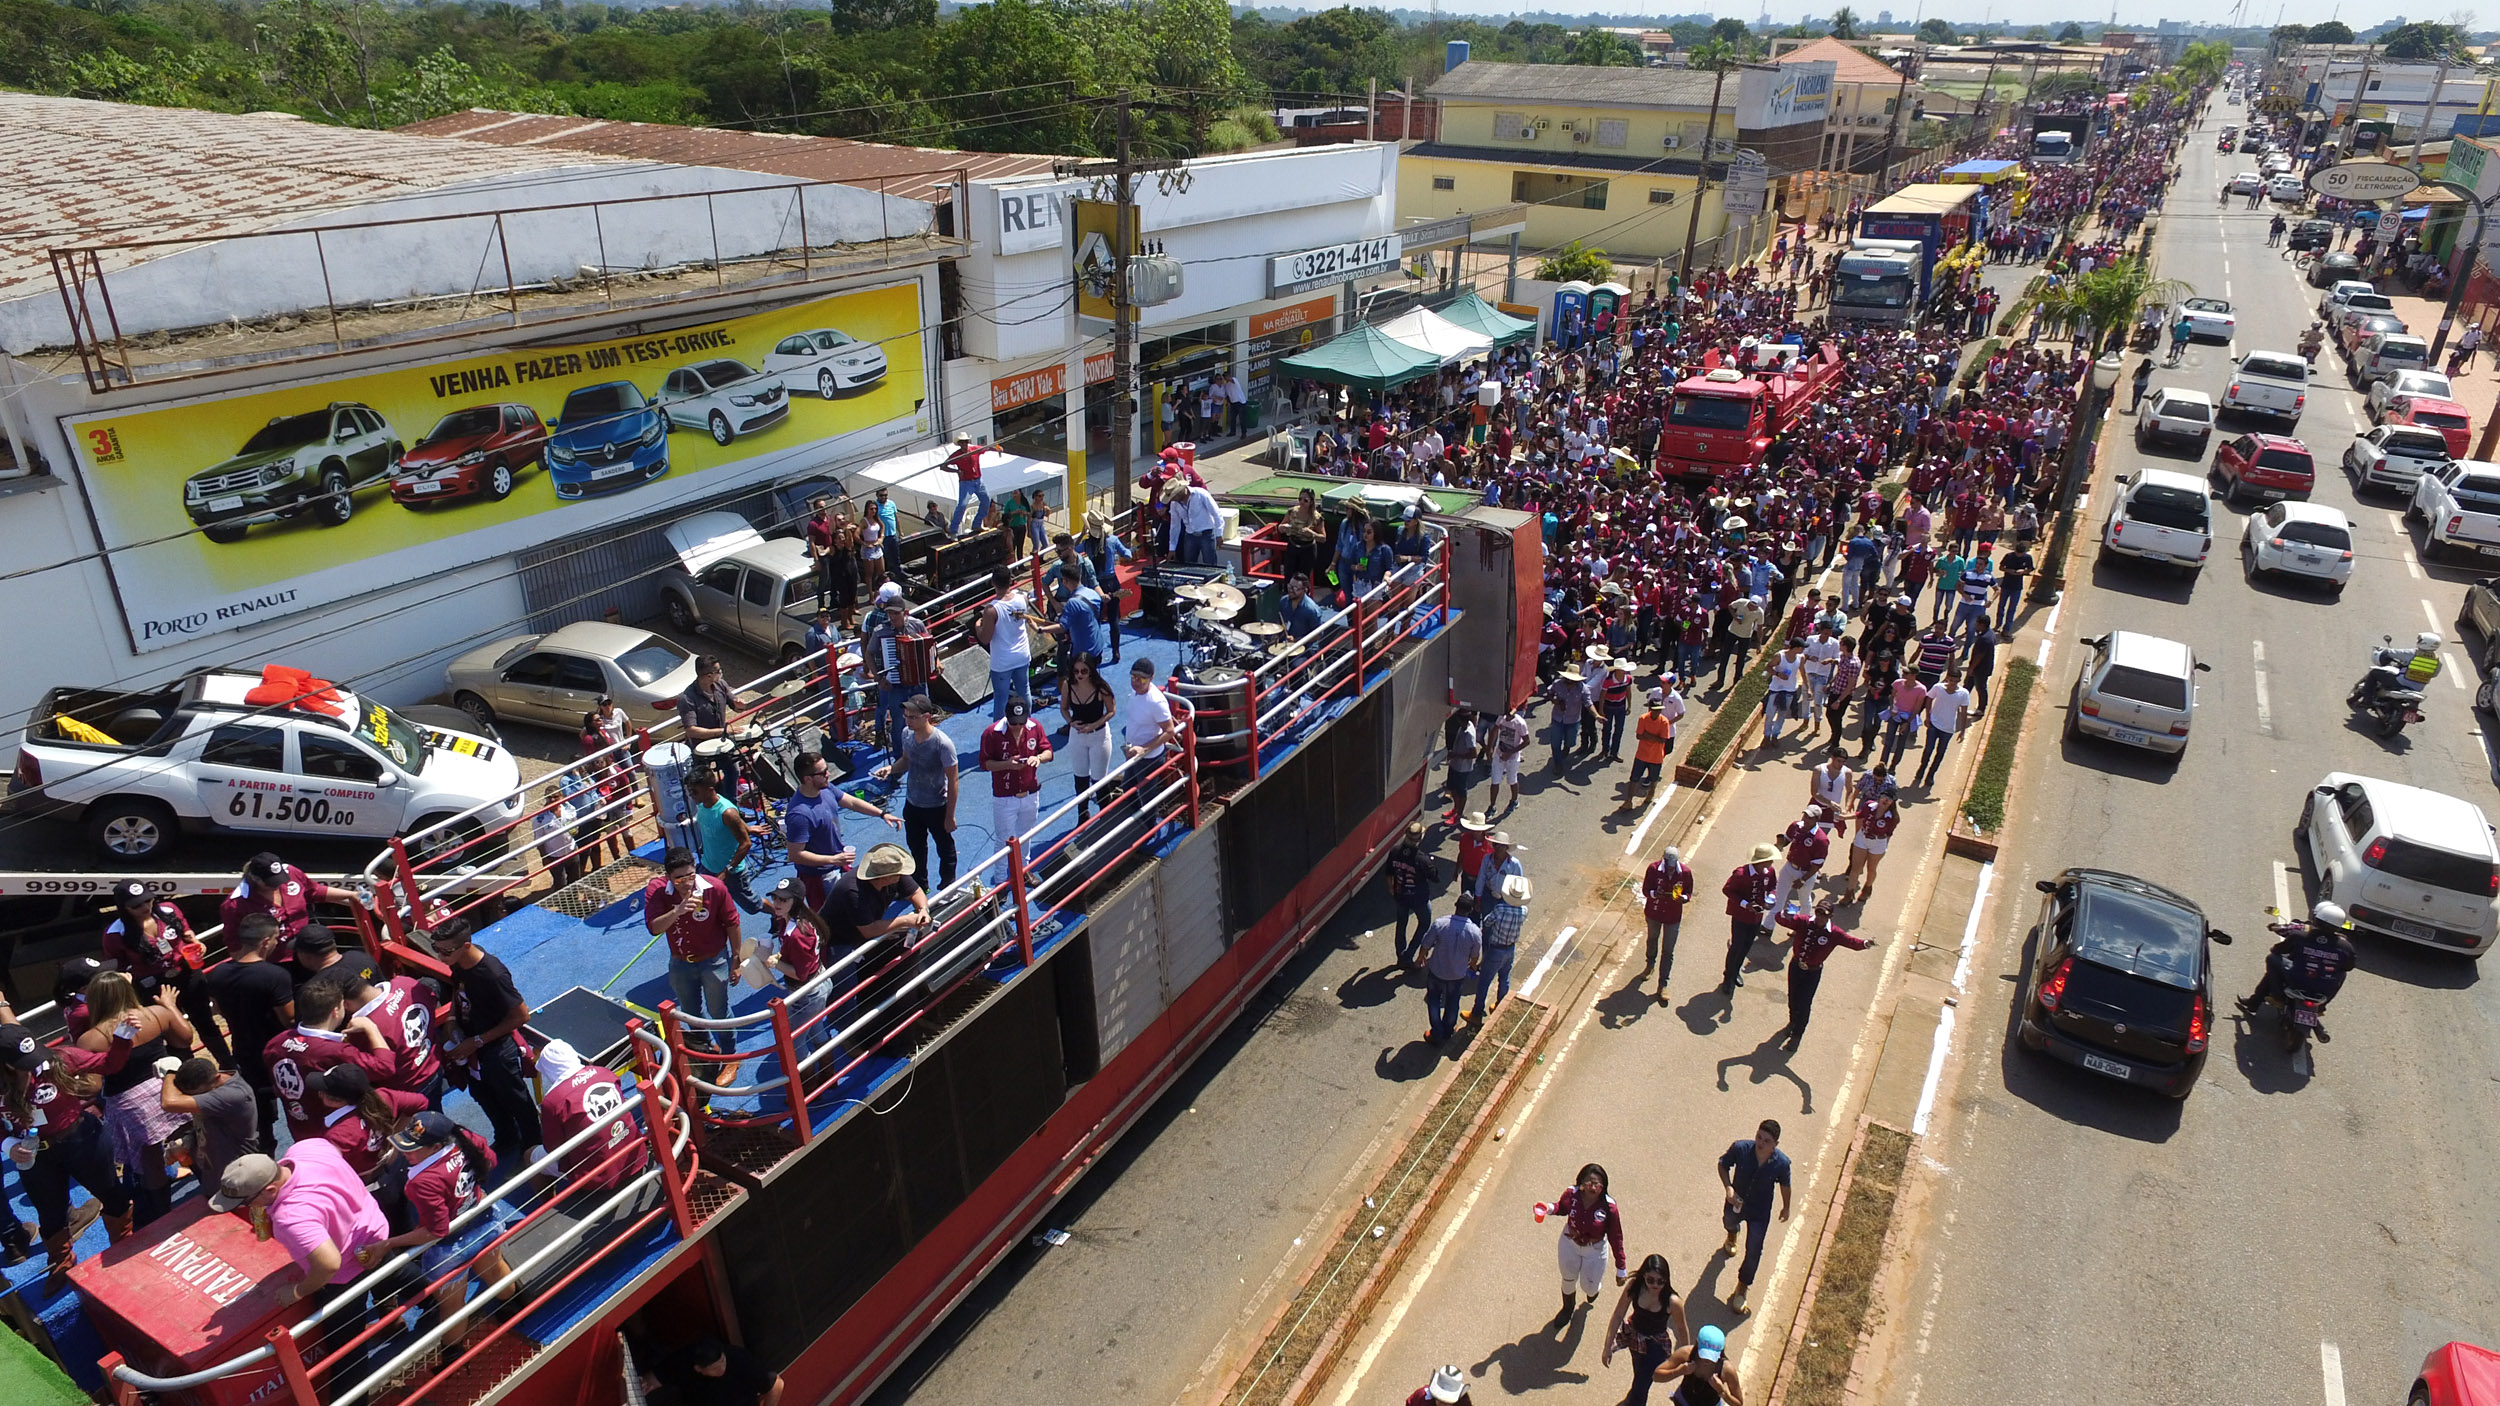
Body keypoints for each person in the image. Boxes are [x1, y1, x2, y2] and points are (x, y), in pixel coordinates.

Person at [356, 1112, 516, 1344]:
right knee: (495, 1270)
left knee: (452, 1307)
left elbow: (436, 1231)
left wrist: (388, 1243)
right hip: (485, 1222)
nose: (405, 1152)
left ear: (436, 1147)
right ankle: (515, 1311)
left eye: (413, 1148)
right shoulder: (466, 1138)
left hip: (451, 1249)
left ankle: (452, 1358)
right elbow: (491, 1161)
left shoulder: (422, 1182)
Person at [208, 1140, 389, 1306]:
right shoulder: (307, 1148)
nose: (246, 1207)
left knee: (341, 1337)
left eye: (245, 1202)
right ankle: (391, 1313)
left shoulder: (290, 1218)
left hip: (348, 1271)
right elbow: (336, 1151)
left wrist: (297, 1292)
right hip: (379, 1234)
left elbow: (329, 1264)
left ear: (270, 1189)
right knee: (405, 1283)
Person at [432, 918, 538, 1170]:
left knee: (516, 1099)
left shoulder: (492, 974)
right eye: (436, 949)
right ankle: (507, 1136)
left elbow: (522, 1015)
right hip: (472, 1045)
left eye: (445, 951)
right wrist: (452, 1018)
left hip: (497, 1048)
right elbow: (460, 993)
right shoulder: (458, 964)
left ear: (466, 946)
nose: (440, 956)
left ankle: (533, 1148)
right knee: (482, 1094)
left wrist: (477, 1041)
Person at [102, 879, 225, 1065]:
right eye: (137, 905)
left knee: (206, 1022)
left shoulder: (169, 911)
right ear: (124, 907)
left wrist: (197, 945)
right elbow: (118, 968)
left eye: (148, 900)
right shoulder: (115, 934)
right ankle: (190, 1077)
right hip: (154, 985)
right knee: (174, 1034)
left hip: (187, 973)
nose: (145, 907)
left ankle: (228, 1065)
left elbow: (187, 934)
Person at [202, 911, 297, 1150]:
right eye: (276, 937)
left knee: (261, 1121)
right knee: (297, 1107)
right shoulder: (275, 976)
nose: (277, 942)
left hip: (245, 1053)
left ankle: (264, 1162)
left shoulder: (218, 974)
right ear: (266, 941)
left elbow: (220, 1011)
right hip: (279, 1055)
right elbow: (290, 1019)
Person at [263, 974, 394, 1145]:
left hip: (300, 1127)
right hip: (337, 1131)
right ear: (336, 1011)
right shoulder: (336, 1051)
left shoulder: (275, 1043)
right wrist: (371, 1028)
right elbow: (385, 1067)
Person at [644, 848, 738, 1053]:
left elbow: (732, 923)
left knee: (719, 1011)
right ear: (668, 877)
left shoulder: (715, 888)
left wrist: (736, 960)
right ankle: (707, 1047)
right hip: (680, 962)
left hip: (714, 960)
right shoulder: (657, 890)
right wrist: (677, 911)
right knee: (690, 1012)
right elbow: (654, 928)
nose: (686, 883)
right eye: (679, 879)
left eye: (690, 875)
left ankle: (731, 1054)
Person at [784, 749, 902, 910]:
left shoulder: (825, 789)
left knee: (853, 905)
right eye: (823, 772)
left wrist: (882, 814)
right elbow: (795, 855)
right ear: (808, 779)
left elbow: (851, 802)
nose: (828, 774)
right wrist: (833, 860)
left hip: (838, 864)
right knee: (832, 917)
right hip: (820, 877)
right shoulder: (800, 814)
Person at [536, 1039, 647, 1195]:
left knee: (531, 1156)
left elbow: (553, 1149)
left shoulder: (553, 1101)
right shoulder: (604, 1072)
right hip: (636, 1155)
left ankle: (548, 1207)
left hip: (597, 1177)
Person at [2237, 901, 2359, 1031]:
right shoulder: (2346, 947)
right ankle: (2322, 1006)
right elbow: (2348, 967)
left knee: (2272, 959)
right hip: (2325, 988)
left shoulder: (2299, 935)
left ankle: (2268, 999)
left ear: (2316, 919)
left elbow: (2277, 951)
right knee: (2342, 974)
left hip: (2296, 979)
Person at [879, 696, 961, 887]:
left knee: (945, 848)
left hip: (936, 806)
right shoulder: (907, 733)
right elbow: (906, 760)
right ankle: (919, 885)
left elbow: (953, 780)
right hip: (913, 804)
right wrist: (891, 769)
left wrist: (950, 816)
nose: (907, 720)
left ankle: (948, 885)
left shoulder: (943, 744)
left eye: (913, 717)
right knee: (916, 848)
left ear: (926, 716)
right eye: (906, 716)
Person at [1534, 1162, 1626, 1326]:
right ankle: (1567, 1308)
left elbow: (1616, 1237)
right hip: (1569, 1244)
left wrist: (1621, 1267)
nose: (1593, 1187)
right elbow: (1561, 1207)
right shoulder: (1572, 1194)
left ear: (1603, 1186)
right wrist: (1547, 1208)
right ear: (1581, 1183)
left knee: (1589, 1288)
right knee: (1568, 1279)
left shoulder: (1609, 1207)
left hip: (1595, 1251)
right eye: (1589, 1182)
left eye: (1597, 1184)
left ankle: (1593, 1290)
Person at [1772, 900, 1871, 1051]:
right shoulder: (1803, 922)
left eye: (1824, 915)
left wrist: (1865, 944)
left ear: (1830, 916)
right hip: (1796, 966)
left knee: (1805, 1003)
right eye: (1818, 912)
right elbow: (1780, 920)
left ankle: (1797, 1034)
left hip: (1812, 972)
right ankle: (1792, 1022)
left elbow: (1851, 942)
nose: (1819, 917)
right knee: (1793, 997)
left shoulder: (1834, 933)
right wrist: (1786, 914)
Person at [1716, 1120, 1792, 1313]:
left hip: (1759, 1212)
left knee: (1754, 1249)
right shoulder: (1741, 1148)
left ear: (1775, 1144)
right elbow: (1723, 1165)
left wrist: (1786, 1207)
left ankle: (1742, 1287)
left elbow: (1785, 1185)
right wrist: (1729, 1188)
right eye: (1759, 1137)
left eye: (1767, 1140)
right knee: (1728, 1221)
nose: (1761, 1142)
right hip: (1736, 1203)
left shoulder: (1781, 1164)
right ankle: (1732, 1235)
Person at [1602, 1253, 1693, 1406]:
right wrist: (1607, 1347)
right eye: (1650, 1280)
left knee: (1641, 1386)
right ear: (1643, 1276)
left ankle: (1632, 1401)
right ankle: (1631, 1399)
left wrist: (1685, 1358)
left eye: (1660, 1281)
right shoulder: (1634, 1288)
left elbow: (1682, 1329)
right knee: (1639, 1376)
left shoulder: (1673, 1302)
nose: (1655, 1285)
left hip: (1655, 1348)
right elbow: (1618, 1314)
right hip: (1634, 1340)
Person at [820, 844, 935, 966]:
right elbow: (869, 930)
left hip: (863, 932)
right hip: (838, 941)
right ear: (886, 878)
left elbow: (916, 892)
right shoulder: (853, 891)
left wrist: (923, 909)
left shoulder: (891, 873)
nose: (903, 875)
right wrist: (906, 920)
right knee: (848, 982)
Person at [158, 1056, 258, 1194]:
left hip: (241, 1177)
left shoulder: (233, 1094)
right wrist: (187, 1141)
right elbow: (212, 1123)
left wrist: (169, 1072)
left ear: (217, 1078)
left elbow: (168, 1103)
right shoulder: (212, 1086)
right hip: (216, 1176)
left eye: (198, 1095)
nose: (192, 1100)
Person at [757, 878, 829, 1057]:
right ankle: (830, 1077)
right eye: (775, 898)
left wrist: (773, 962)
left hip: (808, 993)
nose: (777, 903)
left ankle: (809, 1082)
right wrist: (779, 957)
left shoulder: (797, 934)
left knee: (794, 1041)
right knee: (816, 1030)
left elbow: (800, 974)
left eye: (783, 899)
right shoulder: (794, 921)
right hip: (818, 984)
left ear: (795, 901)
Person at [979, 693, 1053, 851]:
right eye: (1014, 723)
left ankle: (1024, 871)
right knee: (1003, 841)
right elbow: (985, 764)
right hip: (1004, 797)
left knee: (1026, 836)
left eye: (1021, 723)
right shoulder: (991, 733)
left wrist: (1038, 758)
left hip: (1030, 794)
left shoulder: (1035, 727)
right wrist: (1007, 764)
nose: (1018, 727)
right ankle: (1001, 877)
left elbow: (1048, 752)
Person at [861, 584, 932, 747]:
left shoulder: (917, 624)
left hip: (918, 682)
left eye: (895, 613)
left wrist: (936, 662)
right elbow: (869, 654)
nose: (892, 616)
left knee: (924, 718)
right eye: (889, 612)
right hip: (896, 684)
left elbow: (929, 646)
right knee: (898, 722)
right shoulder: (881, 630)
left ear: (904, 612)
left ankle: (926, 748)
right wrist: (879, 678)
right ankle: (900, 757)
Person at [221, 852, 343, 943]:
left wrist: (352, 895)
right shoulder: (236, 904)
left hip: (304, 950)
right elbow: (232, 939)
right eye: (271, 883)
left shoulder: (292, 872)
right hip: (271, 960)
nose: (278, 885)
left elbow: (314, 891)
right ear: (255, 878)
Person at [683, 769, 758, 913]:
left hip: (732, 873)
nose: (691, 795)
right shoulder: (702, 805)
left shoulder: (727, 812)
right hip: (707, 867)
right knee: (705, 904)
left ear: (709, 790)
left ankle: (776, 914)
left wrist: (727, 871)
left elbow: (746, 843)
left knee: (753, 906)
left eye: (694, 791)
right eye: (690, 791)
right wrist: (748, 828)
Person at [1411, 894, 1481, 1045]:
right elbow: (1475, 956)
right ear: (1470, 910)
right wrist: (1472, 966)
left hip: (1437, 972)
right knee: (1452, 1002)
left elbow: (1426, 944)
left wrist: (1420, 958)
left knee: (1434, 1001)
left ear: (1456, 906)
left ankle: (1437, 1031)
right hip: (1457, 975)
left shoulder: (1440, 924)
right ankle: (1448, 1030)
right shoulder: (1475, 932)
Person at [642, 1337, 784, 1406]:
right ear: (699, 1369)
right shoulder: (682, 1361)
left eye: (723, 1361)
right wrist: (642, 1386)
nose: (722, 1368)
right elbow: (652, 1380)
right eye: (715, 1368)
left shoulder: (739, 1359)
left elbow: (777, 1384)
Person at [976, 568, 1037, 719]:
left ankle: (999, 732)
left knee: (1001, 699)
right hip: (1022, 654)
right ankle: (1028, 722)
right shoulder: (1022, 598)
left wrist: (978, 626)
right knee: (1024, 691)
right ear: (1010, 580)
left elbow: (985, 638)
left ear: (993, 583)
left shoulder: (992, 609)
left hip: (1002, 660)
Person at [1719, 843, 1780, 993]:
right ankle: (1728, 976)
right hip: (1740, 916)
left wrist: (1771, 898)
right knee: (1736, 946)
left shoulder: (1769, 872)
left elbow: (1773, 886)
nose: (1771, 863)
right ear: (1760, 861)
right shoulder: (1741, 874)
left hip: (1756, 917)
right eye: (1769, 860)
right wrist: (1746, 904)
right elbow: (1728, 890)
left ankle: (1736, 971)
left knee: (1746, 945)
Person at [1472, 874, 1529, 1022]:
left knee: (1484, 981)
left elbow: (1487, 922)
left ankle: (1477, 1013)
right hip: (1510, 949)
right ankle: (1500, 1007)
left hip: (1496, 948)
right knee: (1504, 978)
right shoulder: (1523, 911)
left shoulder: (1500, 909)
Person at [1642, 845, 1693, 1002]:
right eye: (1668, 866)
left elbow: (1688, 892)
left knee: (1668, 950)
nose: (1670, 870)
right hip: (1654, 913)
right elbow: (1646, 889)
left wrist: (1682, 898)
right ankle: (1650, 963)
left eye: (1673, 866)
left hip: (1673, 915)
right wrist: (1654, 894)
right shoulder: (1653, 869)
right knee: (1652, 939)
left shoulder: (1685, 872)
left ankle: (1663, 984)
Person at [1381, 822, 1435, 968]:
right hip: (1419, 898)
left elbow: (1388, 873)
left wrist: (1391, 888)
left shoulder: (1395, 851)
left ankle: (1401, 955)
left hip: (1400, 894)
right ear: (1420, 839)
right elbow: (1434, 877)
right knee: (1424, 923)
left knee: (1401, 924)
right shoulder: (1422, 859)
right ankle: (1408, 955)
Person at [1912, 668, 1974, 789]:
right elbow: (1929, 699)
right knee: (1928, 749)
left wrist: (1962, 731)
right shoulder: (1938, 687)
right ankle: (1922, 768)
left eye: (1955, 681)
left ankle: (1930, 775)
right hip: (1934, 723)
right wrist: (1928, 716)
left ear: (1959, 681)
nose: (1952, 683)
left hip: (1948, 728)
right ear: (1947, 678)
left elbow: (1964, 712)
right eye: (1950, 680)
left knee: (1940, 753)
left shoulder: (1963, 693)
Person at [1650, 1325, 1744, 1405]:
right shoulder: (1686, 1354)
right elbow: (1656, 1376)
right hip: (1683, 1402)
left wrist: (1723, 1392)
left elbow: (1739, 1403)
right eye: (1705, 1354)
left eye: (1712, 1356)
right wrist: (1678, 1372)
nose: (1707, 1360)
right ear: (1697, 1344)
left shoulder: (1726, 1370)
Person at [1839, 783, 1900, 904]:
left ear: (1892, 802)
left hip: (1878, 842)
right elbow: (1859, 815)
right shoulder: (1869, 806)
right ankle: (1849, 893)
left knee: (1871, 869)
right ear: (1880, 797)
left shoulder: (1892, 818)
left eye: (1889, 799)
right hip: (1863, 837)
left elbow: (1889, 834)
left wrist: (1883, 847)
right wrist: (1844, 817)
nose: (1886, 800)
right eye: (1884, 797)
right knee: (1856, 868)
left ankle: (1867, 888)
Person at [943, 432, 997, 537]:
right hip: (966, 483)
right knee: (962, 505)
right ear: (959, 444)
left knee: (986, 501)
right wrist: (956, 471)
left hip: (978, 481)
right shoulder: (957, 455)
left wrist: (996, 448)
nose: (964, 444)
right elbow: (943, 466)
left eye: (966, 442)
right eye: (962, 443)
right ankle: (953, 531)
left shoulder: (975, 449)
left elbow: (987, 448)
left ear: (968, 442)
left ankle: (977, 524)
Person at [1486, 704, 1531, 816]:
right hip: (1499, 754)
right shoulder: (1501, 717)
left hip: (1512, 757)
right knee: (1495, 781)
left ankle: (1514, 800)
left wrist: (1511, 753)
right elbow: (1494, 730)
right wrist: (1490, 748)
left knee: (1512, 780)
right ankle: (1492, 806)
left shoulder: (1520, 723)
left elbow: (1526, 741)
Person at [1406, 1364, 1473, 1406]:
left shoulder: (1463, 1401)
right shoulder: (1421, 1397)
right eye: (1440, 1400)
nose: (1443, 1405)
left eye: (1448, 1402)